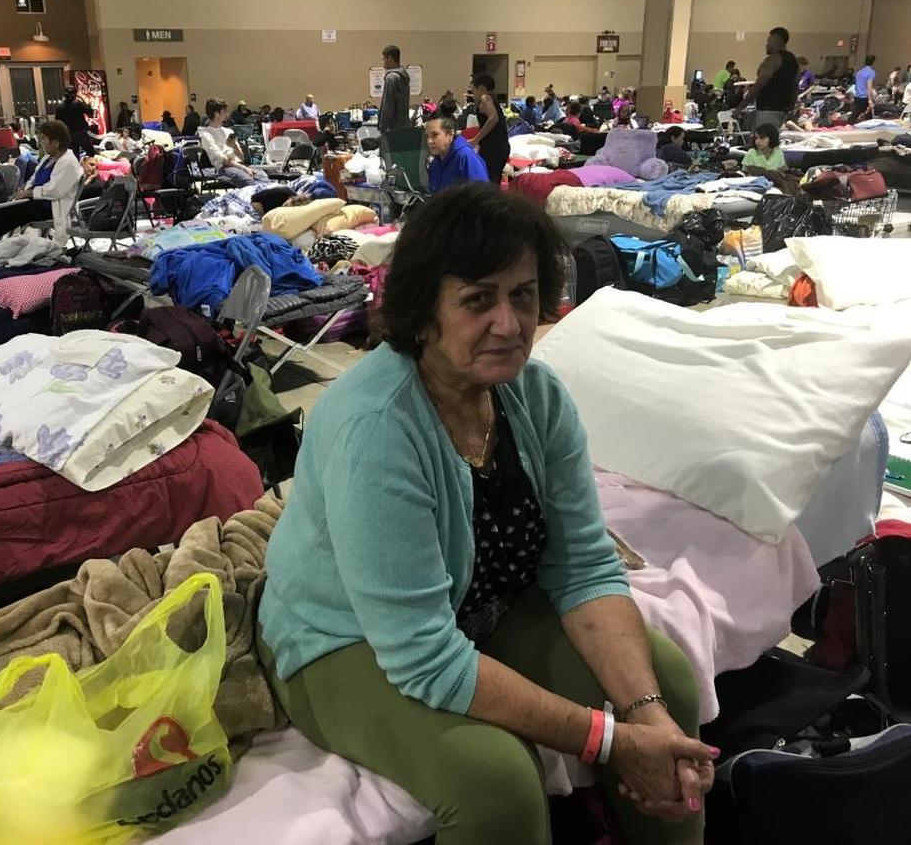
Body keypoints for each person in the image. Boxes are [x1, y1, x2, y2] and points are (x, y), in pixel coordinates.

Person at [259, 181, 714, 845]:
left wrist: (644, 716)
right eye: (478, 300)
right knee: (494, 780)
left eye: (523, 294)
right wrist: (612, 742)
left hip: (475, 608)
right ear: (424, 313)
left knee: (666, 682)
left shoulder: (535, 394)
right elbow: (424, 657)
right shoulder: (377, 428)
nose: (509, 321)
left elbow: (584, 565)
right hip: (344, 638)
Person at [0, 120, 83, 250]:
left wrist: (30, 193)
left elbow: (55, 190)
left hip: (53, 205)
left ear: (56, 141)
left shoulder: (68, 161)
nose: (41, 143)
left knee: (12, 212)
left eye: (44, 139)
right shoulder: (47, 159)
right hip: (39, 200)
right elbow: (33, 179)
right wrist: (23, 190)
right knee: (2, 209)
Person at [737, 27, 799, 131]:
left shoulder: (772, 60)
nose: (766, 44)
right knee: (773, 142)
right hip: (782, 111)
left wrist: (740, 107)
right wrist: (791, 107)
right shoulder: (793, 60)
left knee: (763, 143)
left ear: (776, 40)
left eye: (768, 40)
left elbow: (758, 87)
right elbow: (795, 86)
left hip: (768, 110)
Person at [198, 98, 268, 187]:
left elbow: (241, 157)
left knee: (264, 179)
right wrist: (243, 168)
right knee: (252, 184)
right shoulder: (206, 135)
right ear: (217, 114)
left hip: (240, 165)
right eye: (224, 112)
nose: (226, 115)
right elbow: (221, 159)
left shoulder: (228, 131)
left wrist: (235, 146)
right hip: (225, 169)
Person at [426, 113, 488, 193]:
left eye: (435, 135)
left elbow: (482, 196)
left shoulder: (467, 157)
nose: (429, 141)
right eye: (427, 136)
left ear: (450, 134)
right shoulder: (434, 164)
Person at [468, 74, 510, 185]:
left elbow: (493, 118)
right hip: (496, 146)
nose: (472, 95)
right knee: (491, 180)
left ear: (481, 88)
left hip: (495, 147)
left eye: (473, 91)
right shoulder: (489, 99)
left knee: (489, 181)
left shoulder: (484, 98)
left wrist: (475, 140)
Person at [379, 45, 412, 133]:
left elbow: (388, 107)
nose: (383, 62)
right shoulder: (404, 76)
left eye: (383, 59)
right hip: (405, 126)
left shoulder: (391, 78)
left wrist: (382, 129)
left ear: (390, 58)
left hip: (393, 129)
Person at [57, 86, 95, 157]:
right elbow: (90, 113)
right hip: (81, 133)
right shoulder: (78, 104)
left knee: (74, 157)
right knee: (91, 154)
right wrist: (83, 100)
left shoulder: (60, 107)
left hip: (68, 135)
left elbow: (58, 122)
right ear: (75, 94)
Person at [852, 55, 878, 121]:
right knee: (868, 118)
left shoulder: (859, 72)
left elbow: (858, 84)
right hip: (865, 97)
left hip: (857, 96)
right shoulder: (871, 72)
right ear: (873, 62)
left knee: (854, 115)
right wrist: (870, 99)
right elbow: (869, 85)